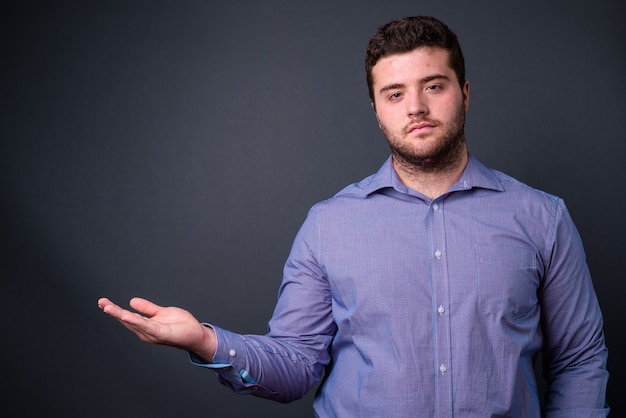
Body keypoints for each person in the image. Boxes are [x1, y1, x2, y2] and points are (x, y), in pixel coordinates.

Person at [98, 15, 609, 417]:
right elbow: (297, 365)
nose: (416, 107)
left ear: (465, 93)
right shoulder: (328, 225)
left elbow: (579, 362)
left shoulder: (542, 217)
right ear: (376, 108)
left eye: (434, 85)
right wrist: (206, 342)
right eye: (395, 93)